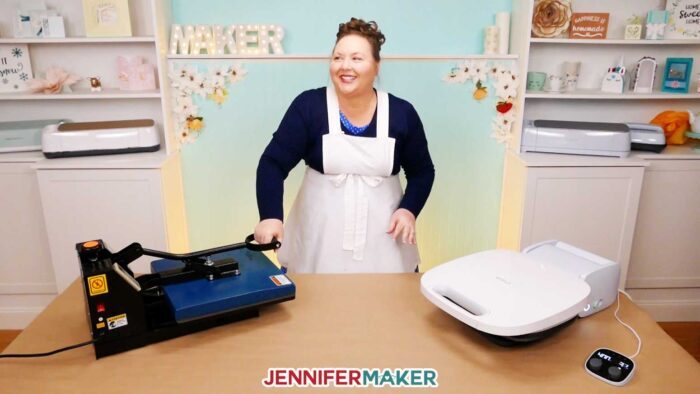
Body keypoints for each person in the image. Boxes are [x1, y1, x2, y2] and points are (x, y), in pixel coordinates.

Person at [254, 17, 435, 273]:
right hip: (316, 240)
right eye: (337, 57)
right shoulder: (308, 107)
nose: (344, 66)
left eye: (356, 58)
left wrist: (408, 210)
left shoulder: (401, 113)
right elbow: (272, 163)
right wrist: (270, 215)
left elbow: (422, 172)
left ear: (376, 66)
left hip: (385, 243)